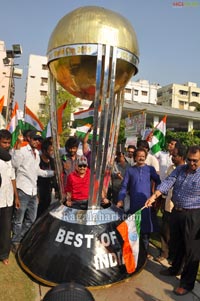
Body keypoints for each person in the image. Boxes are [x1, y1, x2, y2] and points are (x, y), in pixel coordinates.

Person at [145, 145, 200, 296]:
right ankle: (175, 268)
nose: (191, 163)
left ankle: (187, 283)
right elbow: (168, 182)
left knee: (191, 250)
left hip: (194, 215)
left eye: (195, 161)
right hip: (177, 212)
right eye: (189, 159)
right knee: (176, 244)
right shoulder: (180, 169)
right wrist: (154, 196)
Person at [11, 130, 55, 253]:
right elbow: (15, 164)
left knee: (31, 219)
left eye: (39, 140)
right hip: (22, 189)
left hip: (33, 191)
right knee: (19, 219)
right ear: (29, 138)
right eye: (35, 139)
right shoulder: (23, 150)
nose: (37, 142)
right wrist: (19, 146)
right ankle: (15, 241)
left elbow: (38, 172)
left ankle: (20, 239)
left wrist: (53, 173)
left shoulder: (36, 153)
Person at [117, 148, 161, 253]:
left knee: (145, 232)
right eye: (139, 156)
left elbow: (159, 182)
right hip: (134, 205)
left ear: (145, 157)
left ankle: (144, 254)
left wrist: (156, 195)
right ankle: (135, 254)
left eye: (143, 156)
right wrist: (120, 199)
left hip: (147, 205)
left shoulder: (150, 169)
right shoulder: (130, 170)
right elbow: (124, 186)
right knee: (134, 231)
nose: (141, 158)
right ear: (134, 158)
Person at [155, 144, 186, 263]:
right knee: (165, 230)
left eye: (175, 156)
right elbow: (166, 185)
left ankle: (174, 257)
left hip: (181, 208)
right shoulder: (170, 168)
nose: (172, 158)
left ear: (182, 157)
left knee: (177, 234)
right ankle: (164, 252)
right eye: (172, 155)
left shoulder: (187, 171)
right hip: (168, 204)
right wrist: (162, 199)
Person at [0, 130, 19, 265]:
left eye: (8, 142)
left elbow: (12, 178)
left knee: (6, 229)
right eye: (3, 142)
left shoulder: (10, 158)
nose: (6, 145)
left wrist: (16, 197)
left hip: (8, 199)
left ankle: (4, 255)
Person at [37, 139, 58, 218]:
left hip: (48, 189)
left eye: (53, 150)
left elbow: (54, 176)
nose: (52, 152)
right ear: (44, 151)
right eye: (50, 150)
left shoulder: (52, 161)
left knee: (46, 209)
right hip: (39, 189)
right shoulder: (38, 160)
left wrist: (56, 189)